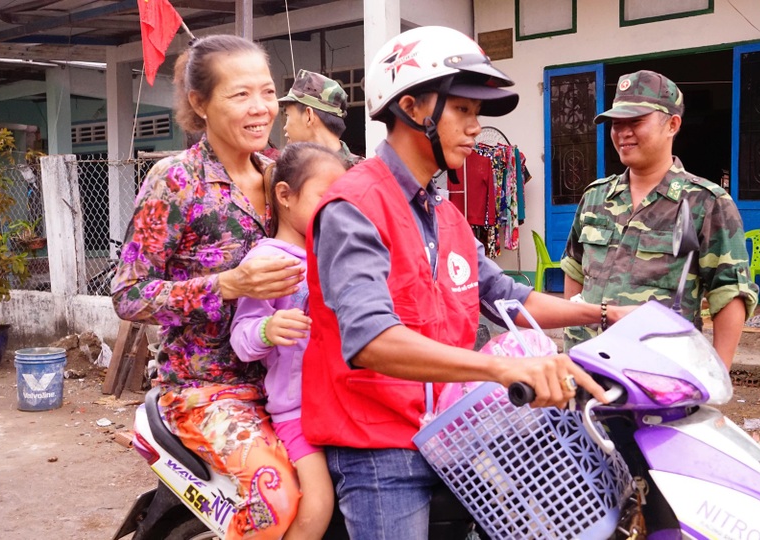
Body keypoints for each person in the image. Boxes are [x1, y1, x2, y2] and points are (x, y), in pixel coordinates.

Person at [301, 26, 636, 539]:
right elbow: (370, 339)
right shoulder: (355, 207)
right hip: (378, 445)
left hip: (448, 434)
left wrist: (605, 313)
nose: (476, 128)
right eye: (462, 110)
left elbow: (508, 296)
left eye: (477, 114)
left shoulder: (447, 216)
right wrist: (500, 369)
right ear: (412, 108)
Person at [111, 34, 305, 540]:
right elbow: (128, 294)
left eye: (267, 92)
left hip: (291, 380)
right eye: (240, 95)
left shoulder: (282, 174)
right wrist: (226, 285)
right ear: (200, 103)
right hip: (206, 389)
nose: (261, 108)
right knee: (275, 499)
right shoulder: (175, 181)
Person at [560, 69, 758, 367]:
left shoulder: (705, 202)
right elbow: (575, 271)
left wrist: (716, 377)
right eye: (616, 123)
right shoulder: (596, 197)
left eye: (636, 121)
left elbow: (729, 293)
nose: (623, 132)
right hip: (587, 363)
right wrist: (568, 348)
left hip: (659, 371)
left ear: (672, 124)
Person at [230, 143, 346, 539]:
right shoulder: (267, 262)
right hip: (296, 408)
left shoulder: (331, 256)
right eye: (323, 198)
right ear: (284, 195)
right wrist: (268, 328)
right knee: (318, 503)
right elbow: (242, 337)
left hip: (337, 401)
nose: (334, 210)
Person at [279, 69, 364, 169]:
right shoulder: (295, 171)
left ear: (309, 116)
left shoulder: (360, 173)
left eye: (288, 115)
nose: (285, 127)